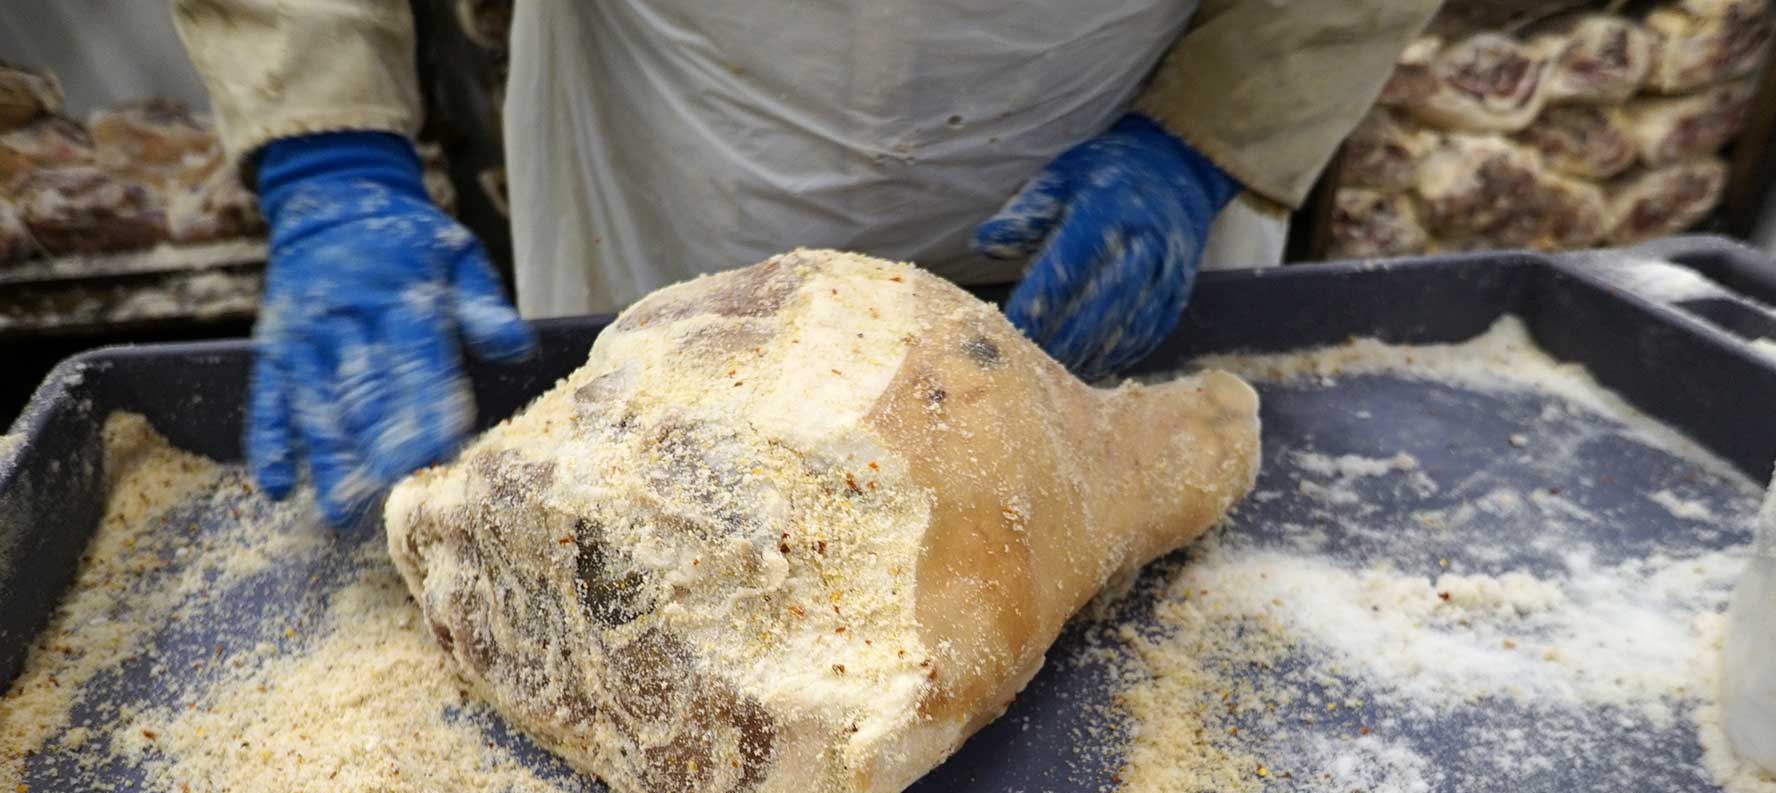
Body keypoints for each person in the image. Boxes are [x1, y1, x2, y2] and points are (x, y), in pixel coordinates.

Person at [171, 0, 1440, 524]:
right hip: (676, 119)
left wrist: (1204, 134)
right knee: (638, 504)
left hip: (1100, 94)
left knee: (1068, 505)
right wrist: (328, 151)